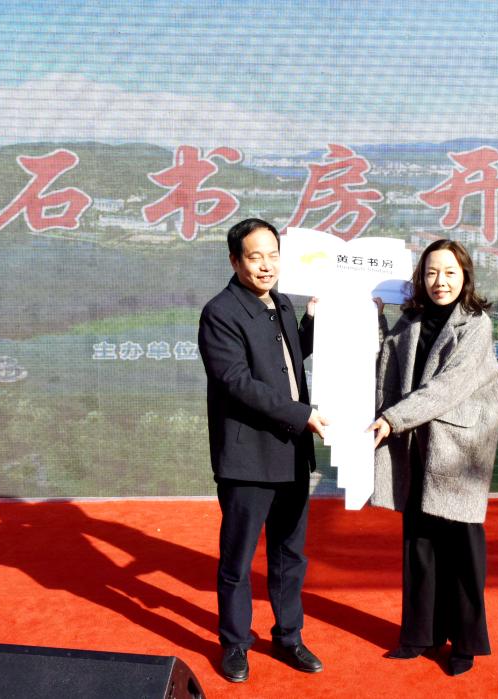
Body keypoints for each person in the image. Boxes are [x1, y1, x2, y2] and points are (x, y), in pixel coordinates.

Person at [198, 217, 330, 683]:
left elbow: (288, 358)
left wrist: (314, 320)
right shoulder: (220, 312)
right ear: (235, 261)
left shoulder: (282, 302)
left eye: (273, 255)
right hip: (248, 458)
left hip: (291, 452)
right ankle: (235, 642)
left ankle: (289, 636)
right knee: (237, 559)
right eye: (255, 257)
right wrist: (303, 415)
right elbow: (237, 382)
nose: (266, 265)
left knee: (290, 555)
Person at [368, 239, 498, 676]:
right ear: (420, 278)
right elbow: (383, 362)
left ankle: (464, 643)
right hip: (417, 444)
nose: (439, 281)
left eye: (449, 272)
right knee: (420, 543)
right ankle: (419, 636)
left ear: (465, 276)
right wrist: (374, 318)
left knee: (462, 549)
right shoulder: (411, 319)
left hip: (459, 450)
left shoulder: (476, 324)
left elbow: (449, 387)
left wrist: (392, 419)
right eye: (430, 273)